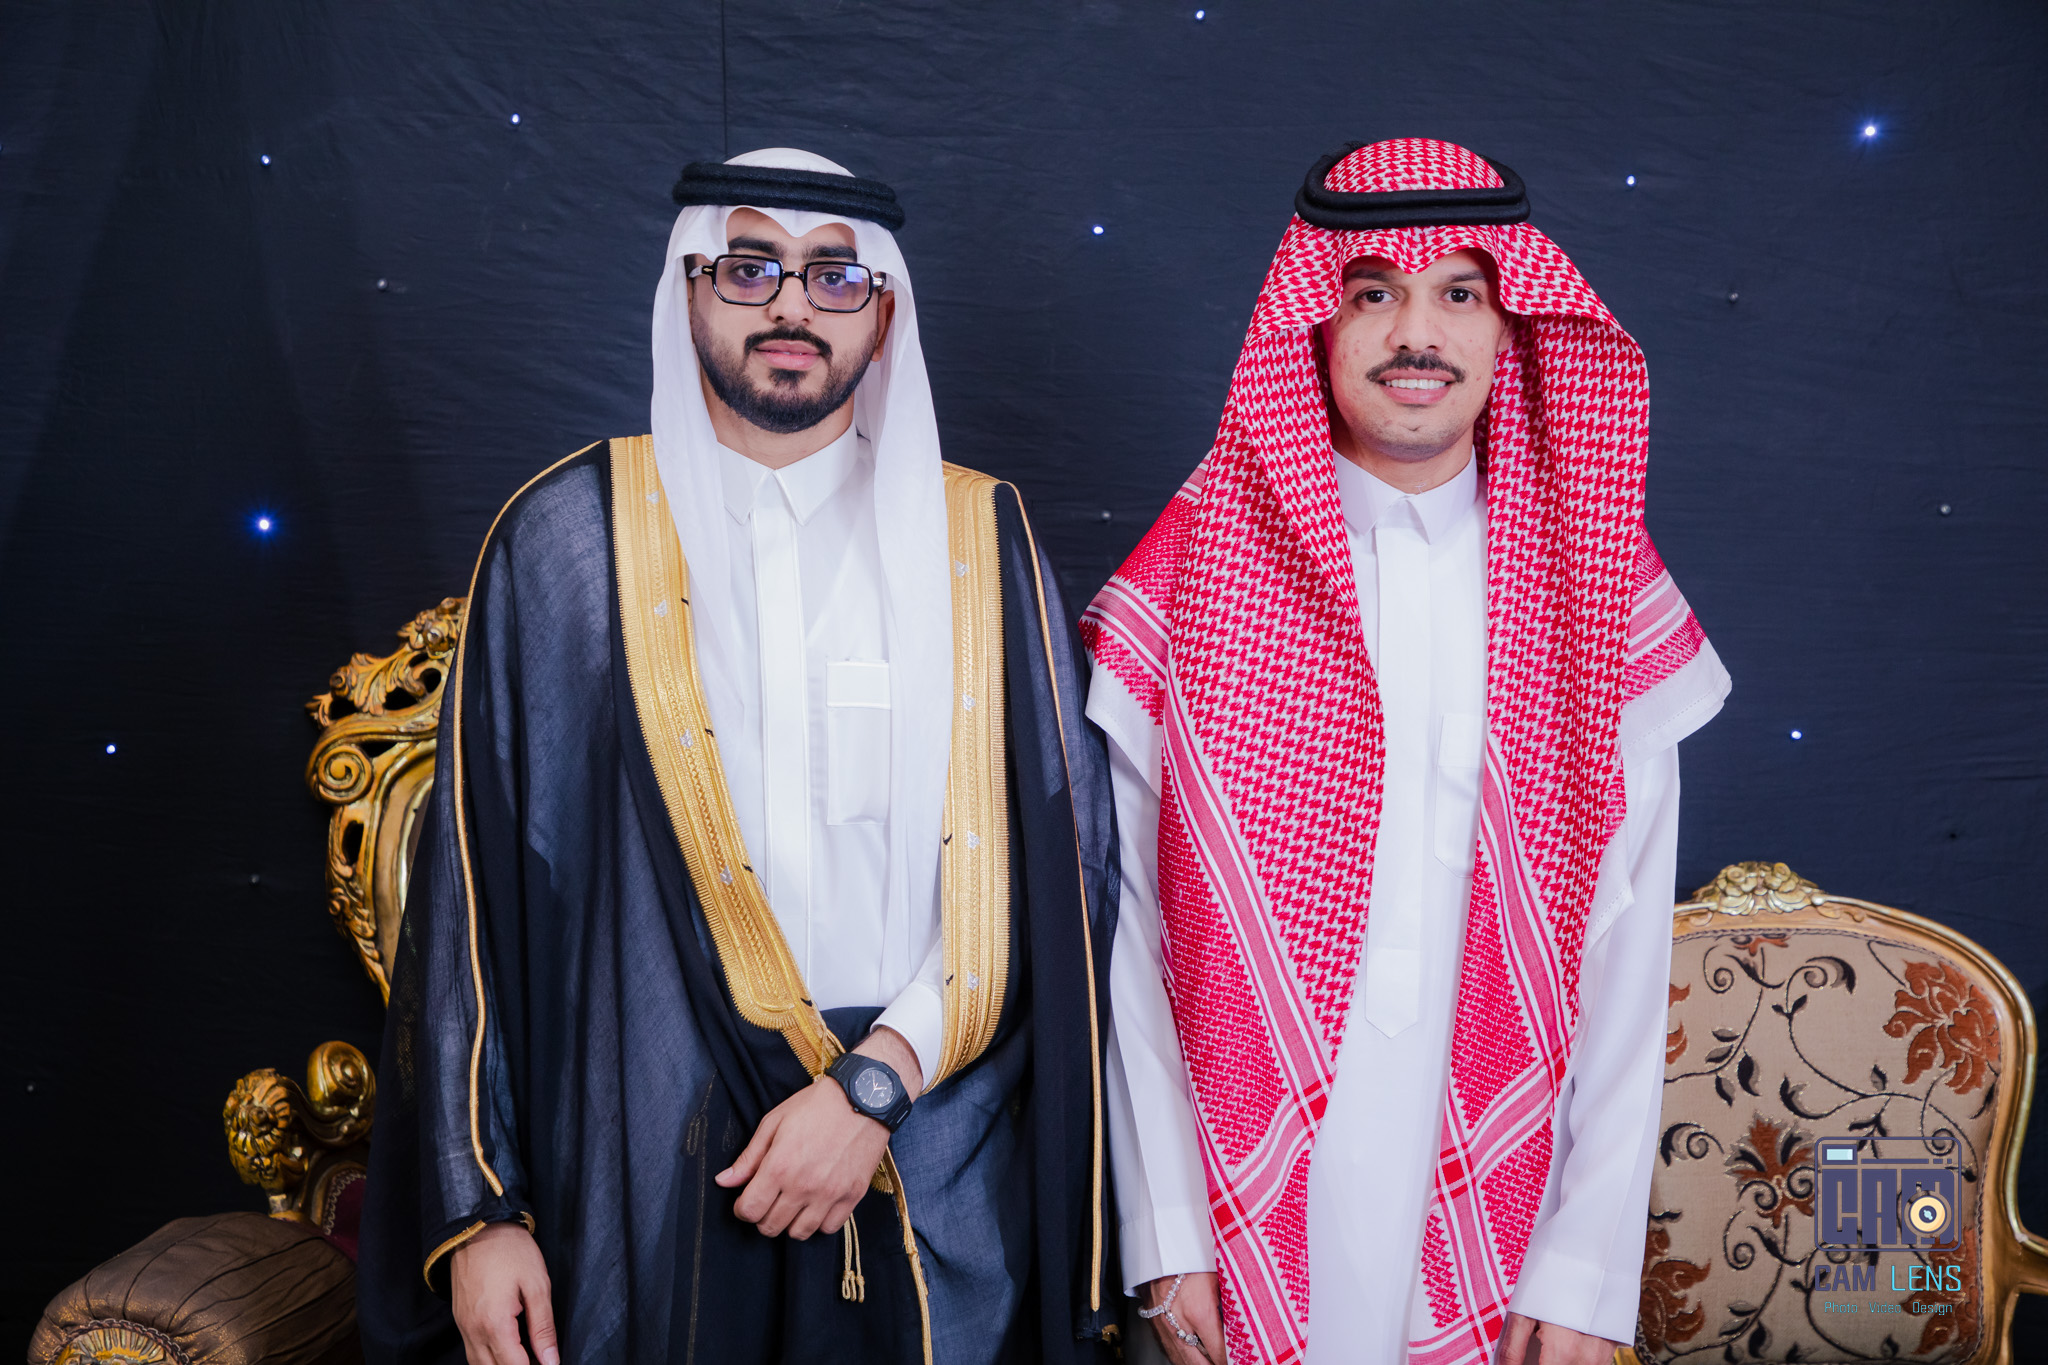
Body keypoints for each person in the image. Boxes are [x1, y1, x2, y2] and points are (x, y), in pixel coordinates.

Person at [359, 148, 1122, 1365]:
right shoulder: (569, 540)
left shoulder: (978, 538)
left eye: (834, 276)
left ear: (882, 313)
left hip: (926, 1142)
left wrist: (875, 1085)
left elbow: (1060, 871)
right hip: (645, 1142)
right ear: (689, 290)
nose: (790, 307)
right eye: (751, 266)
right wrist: (481, 1214)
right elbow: (473, 907)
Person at [1083, 138, 1729, 1365]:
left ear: (1510, 326)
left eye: (1457, 294)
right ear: (1314, 325)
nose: (1413, 334)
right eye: (1371, 292)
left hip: (1509, 1190)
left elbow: (1628, 950)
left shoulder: (1592, 589)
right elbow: (1135, 941)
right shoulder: (1193, 578)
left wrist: (1584, 1270)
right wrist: (1166, 1231)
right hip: (1243, 1194)